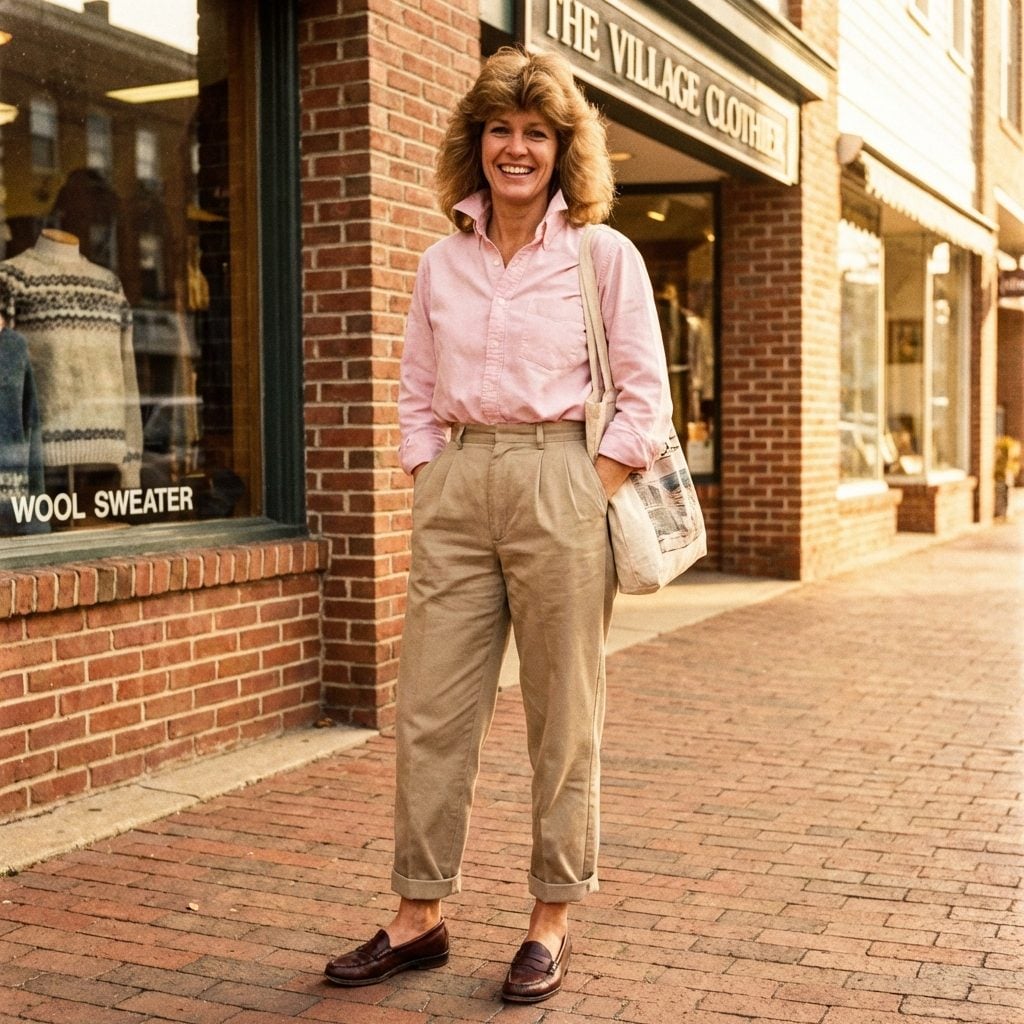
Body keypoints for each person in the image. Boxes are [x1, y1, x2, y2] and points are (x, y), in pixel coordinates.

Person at [324, 46, 672, 1004]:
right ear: (474, 144)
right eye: (500, 130)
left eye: (536, 133)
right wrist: (429, 472)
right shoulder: (443, 262)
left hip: (560, 477)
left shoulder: (603, 254)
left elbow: (644, 394)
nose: (516, 149)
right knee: (433, 711)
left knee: (564, 717)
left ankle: (551, 918)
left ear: (564, 151)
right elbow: (414, 388)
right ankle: (418, 915)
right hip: (459, 482)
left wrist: (588, 484)